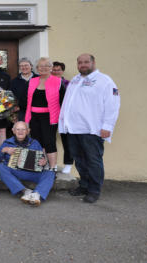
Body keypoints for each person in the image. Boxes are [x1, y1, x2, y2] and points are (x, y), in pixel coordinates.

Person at [59, 54, 120, 203]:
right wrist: (64, 123)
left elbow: (113, 105)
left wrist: (108, 126)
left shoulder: (104, 81)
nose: (83, 65)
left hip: (92, 130)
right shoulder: (75, 80)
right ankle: (84, 186)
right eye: (80, 62)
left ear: (93, 63)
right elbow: (68, 103)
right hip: (73, 129)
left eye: (86, 62)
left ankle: (94, 190)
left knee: (93, 161)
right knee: (79, 160)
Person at [0, 121, 54, 206]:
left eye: (23, 129)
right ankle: (25, 191)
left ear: (28, 131)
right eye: (18, 129)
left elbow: (41, 159)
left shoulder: (34, 143)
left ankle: (36, 194)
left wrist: (43, 162)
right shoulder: (7, 143)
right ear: (13, 131)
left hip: (32, 172)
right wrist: (4, 150)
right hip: (15, 171)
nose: (20, 131)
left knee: (50, 173)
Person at [24, 57, 65, 172]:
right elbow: (28, 100)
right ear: (36, 68)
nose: (43, 68)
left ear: (51, 68)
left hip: (50, 117)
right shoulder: (32, 81)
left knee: (49, 141)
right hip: (34, 116)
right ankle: (41, 165)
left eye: (46, 66)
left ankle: (52, 167)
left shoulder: (58, 81)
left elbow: (63, 101)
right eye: (40, 66)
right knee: (37, 141)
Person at [51, 61, 73, 174]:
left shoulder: (68, 84)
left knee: (67, 140)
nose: (55, 72)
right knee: (49, 139)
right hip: (50, 115)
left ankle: (68, 164)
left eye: (58, 70)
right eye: (53, 70)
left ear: (62, 71)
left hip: (64, 116)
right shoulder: (47, 83)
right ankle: (50, 163)